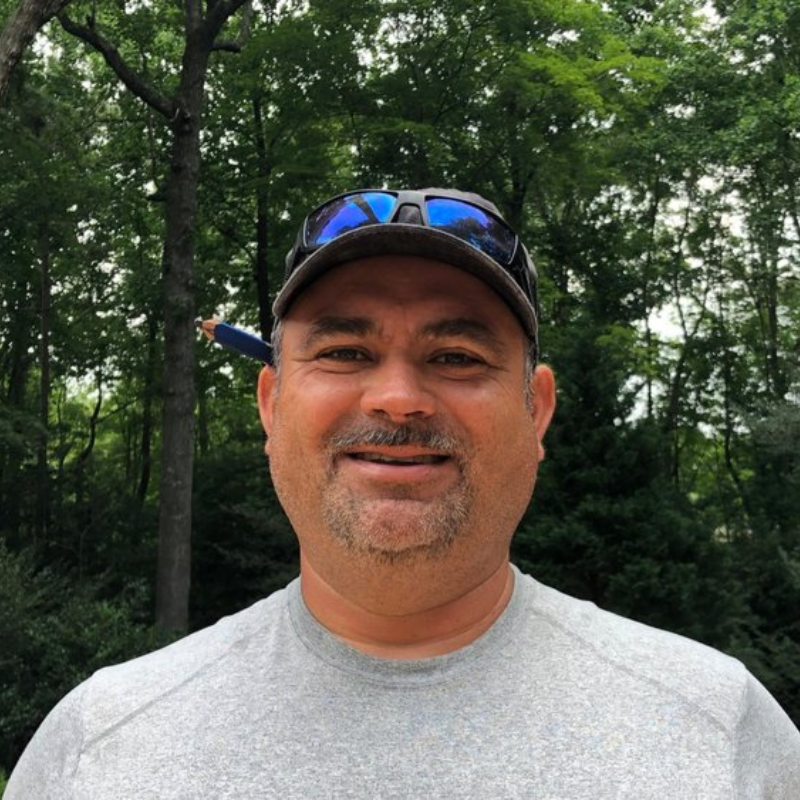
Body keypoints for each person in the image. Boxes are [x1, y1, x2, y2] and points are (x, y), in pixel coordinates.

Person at [8, 188, 800, 798]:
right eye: (346, 350)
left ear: (537, 410)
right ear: (271, 405)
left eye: (456, 356)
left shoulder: (720, 729)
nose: (397, 398)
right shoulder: (100, 743)